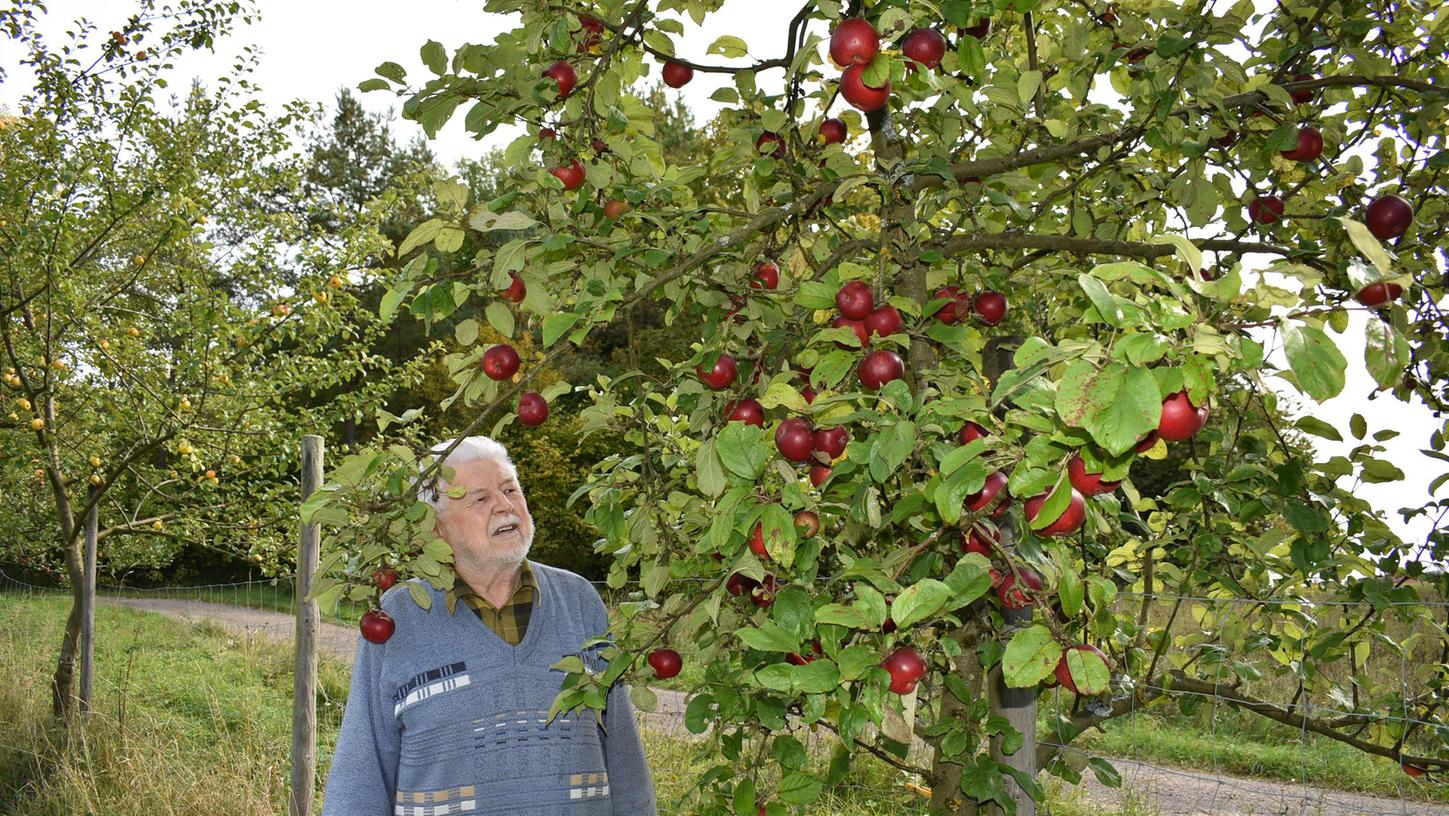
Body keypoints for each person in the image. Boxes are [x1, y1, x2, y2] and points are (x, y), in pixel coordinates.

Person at [321, 435, 657, 815]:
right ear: (437, 528)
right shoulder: (398, 617)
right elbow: (362, 772)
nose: (504, 506)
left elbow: (624, 759)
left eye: (510, 490)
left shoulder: (578, 601)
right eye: (480, 498)